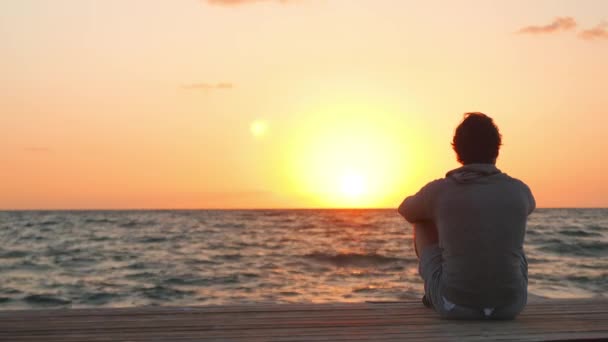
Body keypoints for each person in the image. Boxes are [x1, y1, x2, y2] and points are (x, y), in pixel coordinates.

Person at [398, 112, 535, 320]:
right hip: (511, 306)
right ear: (497, 149)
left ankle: (434, 293)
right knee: (508, 233)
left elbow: (405, 209)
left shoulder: (440, 191)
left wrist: (440, 211)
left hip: (456, 307)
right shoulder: (520, 190)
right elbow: (529, 207)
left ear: (457, 150)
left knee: (420, 221)